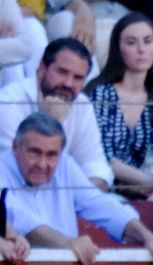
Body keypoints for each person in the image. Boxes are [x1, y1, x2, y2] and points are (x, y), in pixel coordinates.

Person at [3, 111, 153, 265]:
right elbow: (19, 219)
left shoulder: (65, 164)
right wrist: (68, 244)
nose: (42, 164)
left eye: (51, 155)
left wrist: (148, 237)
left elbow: (98, 203)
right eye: (34, 152)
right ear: (15, 147)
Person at [0, 38, 111, 189]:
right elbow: (21, 174)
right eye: (62, 72)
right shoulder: (8, 102)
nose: (68, 84)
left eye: (78, 78)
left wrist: (86, 194)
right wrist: (52, 121)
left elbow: (95, 165)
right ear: (42, 69)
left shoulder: (82, 104)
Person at [87, 13, 153, 200]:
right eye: (131, 42)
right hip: (98, 185)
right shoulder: (101, 94)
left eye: (147, 41)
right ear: (118, 49)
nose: (141, 49)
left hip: (135, 187)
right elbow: (105, 158)